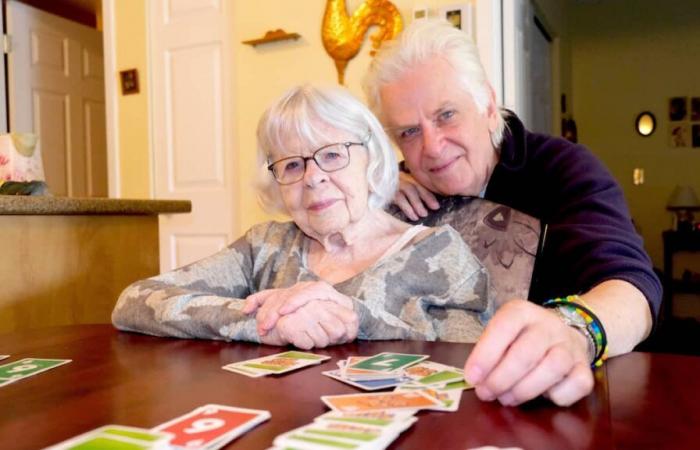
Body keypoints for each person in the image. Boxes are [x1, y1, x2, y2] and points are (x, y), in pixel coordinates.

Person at [361, 19, 661, 407]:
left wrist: (574, 331)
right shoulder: (395, 190)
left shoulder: (563, 168)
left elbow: (633, 289)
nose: (432, 148)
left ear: (487, 105)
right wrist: (374, 188)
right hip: (420, 407)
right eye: (409, 133)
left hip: (548, 406)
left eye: (446, 115)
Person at [112, 84, 492, 348]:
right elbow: (134, 301)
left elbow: (468, 360)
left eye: (331, 155)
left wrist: (356, 319)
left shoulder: (438, 253)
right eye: (291, 165)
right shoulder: (264, 247)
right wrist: (264, 323)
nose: (313, 178)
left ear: (371, 158)